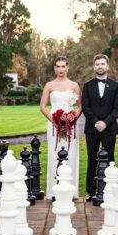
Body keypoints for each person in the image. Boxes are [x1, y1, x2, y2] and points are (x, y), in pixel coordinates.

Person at [81, 54, 118, 202]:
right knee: (92, 158)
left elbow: (117, 108)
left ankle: (109, 189)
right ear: (94, 67)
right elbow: (85, 107)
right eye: (97, 64)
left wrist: (105, 122)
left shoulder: (115, 86)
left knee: (110, 159)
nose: (100, 66)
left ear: (107, 66)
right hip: (92, 129)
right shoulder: (87, 85)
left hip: (109, 128)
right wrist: (95, 122)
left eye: (102, 64)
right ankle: (91, 191)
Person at [40, 56, 82, 200]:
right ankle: (54, 190)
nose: (61, 69)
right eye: (58, 66)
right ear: (54, 68)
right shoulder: (49, 85)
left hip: (71, 125)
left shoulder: (74, 85)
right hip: (54, 125)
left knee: (71, 154)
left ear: (68, 67)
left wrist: (73, 117)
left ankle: (70, 191)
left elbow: (80, 106)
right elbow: (43, 107)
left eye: (63, 66)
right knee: (54, 153)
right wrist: (55, 121)